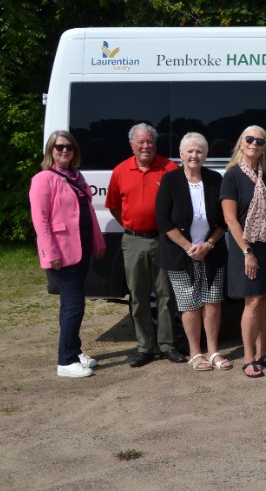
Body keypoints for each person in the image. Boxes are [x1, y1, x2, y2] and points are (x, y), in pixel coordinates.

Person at [30, 131, 107, 378]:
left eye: (69, 147)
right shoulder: (44, 179)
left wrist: (98, 240)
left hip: (81, 249)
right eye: (59, 147)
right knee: (75, 305)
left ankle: (74, 350)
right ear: (50, 151)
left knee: (69, 305)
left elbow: (89, 214)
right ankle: (65, 361)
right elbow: (40, 220)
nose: (64, 151)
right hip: (61, 253)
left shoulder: (76, 177)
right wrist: (50, 251)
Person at [105, 123, 183, 368]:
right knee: (138, 296)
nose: (146, 146)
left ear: (155, 144)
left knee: (166, 295)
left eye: (150, 141)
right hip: (134, 240)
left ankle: (167, 345)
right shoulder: (120, 171)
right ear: (132, 145)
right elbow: (115, 206)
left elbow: (179, 204)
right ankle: (144, 347)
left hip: (164, 240)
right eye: (141, 142)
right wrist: (133, 225)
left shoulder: (169, 168)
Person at [155, 132, 230, 372]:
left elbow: (224, 220)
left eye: (199, 151)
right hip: (181, 254)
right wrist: (189, 247)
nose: (194, 155)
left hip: (212, 251)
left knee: (212, 302)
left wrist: (208, 244)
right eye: (190, 151)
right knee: (189, 305)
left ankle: (213, 351)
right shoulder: (170, 180)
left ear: (206, 155)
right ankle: (195, 352)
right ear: (181, 155)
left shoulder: (215, 179)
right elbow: (163, 220)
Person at [221, 125, 266, 379]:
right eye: (249, 139)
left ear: (265, 148)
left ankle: (263, 352)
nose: (254, 144)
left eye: (260, 141)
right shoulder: (232, 177)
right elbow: (230, 220)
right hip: (246, 247)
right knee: (251, 302)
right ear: (241, 143)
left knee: (265, 299)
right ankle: (248, 357)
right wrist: (247, 251)